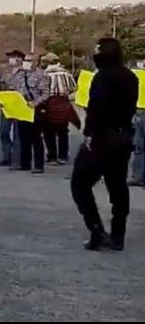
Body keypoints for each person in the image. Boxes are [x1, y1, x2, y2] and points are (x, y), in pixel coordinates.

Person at [71, 38, 138, 251]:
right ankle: (118, 235)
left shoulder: (102, 78)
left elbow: (96, 108)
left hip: (102, 137)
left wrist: (89, 133)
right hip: (124, 136)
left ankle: (96, 230)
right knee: (117, 187)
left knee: (80, 183)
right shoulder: (131, 77)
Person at [10, 53, 50, 174]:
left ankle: (38, 165)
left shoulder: (41, 75)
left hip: (36, 109)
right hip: (22, 109)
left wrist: (35, 103)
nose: (26, 62)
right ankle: (24, 163)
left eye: (30, 60)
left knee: (36, 138)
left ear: (36, 62)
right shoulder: (19, 74)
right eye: (25, 60)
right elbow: (14, 89)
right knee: (23, 137)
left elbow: (46, 93)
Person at [42, 52, 80, 165]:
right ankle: (63, 156)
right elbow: (74, 88)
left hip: (49, 104)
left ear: (47, 62)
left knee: (49, 131)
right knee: (63, 131)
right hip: (63, 103)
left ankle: (52, 155)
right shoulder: (66, 74)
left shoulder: (44, 74)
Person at [0, 50, 24, 167]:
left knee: (17, 134)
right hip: (6, 106)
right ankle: (6, 156)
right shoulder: (6, 72)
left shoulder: (26, 72)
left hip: (19, 106)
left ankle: (17, 159)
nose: (11, 59)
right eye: (10, 57)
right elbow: (2, 86)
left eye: (14, 57)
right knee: (3, 131)